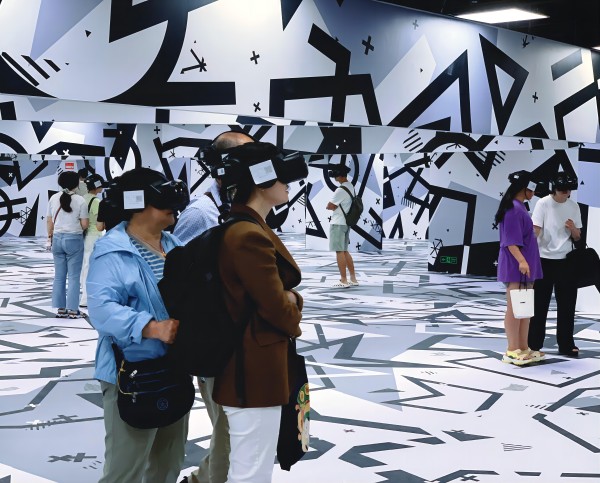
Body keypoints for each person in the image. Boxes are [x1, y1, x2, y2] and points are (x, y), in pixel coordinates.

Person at [86, 168, 191, 483]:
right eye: (162, 200)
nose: (173, 207)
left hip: (175, 368)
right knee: (126, 469)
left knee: (169, 460)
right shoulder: (112, 250)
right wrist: (151, 327)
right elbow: (101, 310)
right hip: (131, 374)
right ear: (137, 203)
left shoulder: (174, 245)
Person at [211, 142, 306, 483]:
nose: (288, 185)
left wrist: (286, 298)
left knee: (251, 466)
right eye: (281, 178)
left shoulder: (243, 227)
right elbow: (278, 310)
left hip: (249, 368)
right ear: (262, 180)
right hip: (251, 372)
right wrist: (293, 301)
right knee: (252, 472)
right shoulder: (248, 235)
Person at [176, 130, 254, 483]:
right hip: (216, 345)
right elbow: (176, 279)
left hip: (244, 342)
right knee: (229, 434)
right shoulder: (201, 214)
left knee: (236, 433)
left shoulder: (242, 208)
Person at [528, 172, 583, 357]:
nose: (565, 193)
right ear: (554, 189)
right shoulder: (543, 203)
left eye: (568, 190)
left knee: (567, 305)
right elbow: (535, 230)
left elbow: (578, 237)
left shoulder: (574, 206)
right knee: (539, 305)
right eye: (562, 190)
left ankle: (566, 344)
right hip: (543, 260)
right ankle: (534, 343)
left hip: (566, 261)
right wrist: (526, 252)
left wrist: (573, 229)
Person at [495, 170, 543, 365]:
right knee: (515, 307)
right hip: (516, 265)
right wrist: (522, 261)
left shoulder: (520, 207)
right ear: (525, 188)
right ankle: (511, 349)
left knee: (525, 308)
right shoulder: (513, 209)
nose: (534, 192)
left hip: (526, 265)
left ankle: (523, 347)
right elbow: (510, 242)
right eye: (532, 189)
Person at [46, 170, 89, 318]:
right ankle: (72, 310)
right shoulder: (80, 200)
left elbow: (49, 221)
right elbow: (84, 224)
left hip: (57, 239)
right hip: (74, 239)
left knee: (59, 276)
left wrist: (50, 236)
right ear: (76, 184)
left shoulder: (53, 198)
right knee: (74, 277)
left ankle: (61, 309)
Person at [326, 164, 358, 288]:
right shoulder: (350, 186)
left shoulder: (340, 190)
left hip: (338, 223)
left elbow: (330, 206)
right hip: (345, 223)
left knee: (339, 251)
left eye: (335, 175)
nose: (334, 177)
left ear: (339, 175)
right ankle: (353, 278)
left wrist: (332, 206)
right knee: (344, 251)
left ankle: (343, 280)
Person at [79, 173, 105, 308]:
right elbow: (100, 223)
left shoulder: (83, 198)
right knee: (90, 267)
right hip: (94, 236)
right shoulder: (96, 202)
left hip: (84, 236)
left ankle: (85, 296)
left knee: (85, 266)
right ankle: (86, 298)